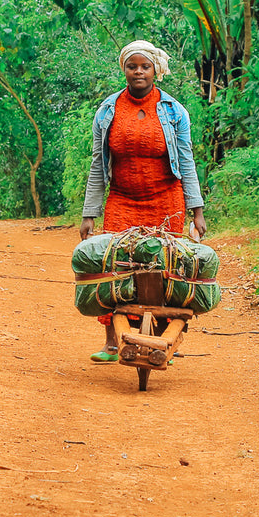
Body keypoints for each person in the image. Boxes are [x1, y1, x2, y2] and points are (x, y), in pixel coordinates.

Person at [79, 39, 206, 362]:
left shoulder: (173, 111)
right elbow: (98, 163)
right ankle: (113, 341)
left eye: (145, 66)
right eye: (132, 66)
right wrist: (89, 214)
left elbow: (187, 161)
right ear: (124, 69)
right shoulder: (108, 111)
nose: (138, 72)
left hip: (167, 201)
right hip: (122, 199)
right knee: (115, 268)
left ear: (155, 71)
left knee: (167, 270)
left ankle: (164, 340)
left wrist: (197, 211)